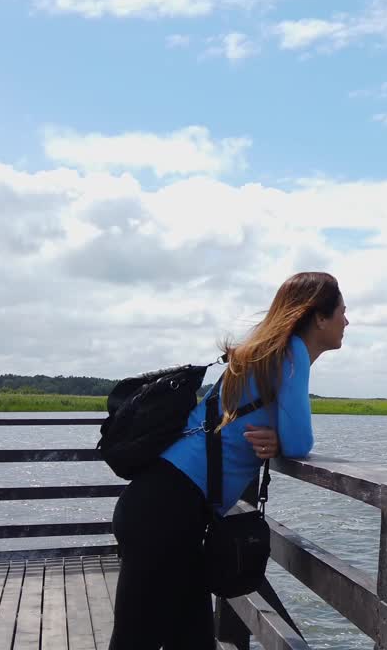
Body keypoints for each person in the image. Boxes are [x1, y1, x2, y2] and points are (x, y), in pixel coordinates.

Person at [108, 271, 348, 649]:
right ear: (318, 317)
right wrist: (284, 440)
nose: (346, 321)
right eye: (342, 312)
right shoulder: (292, 352)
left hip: (165, 506)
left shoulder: (265, 353)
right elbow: (300, 442)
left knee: (190, 640)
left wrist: (277, 439)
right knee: (137, 640)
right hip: (167, 511)